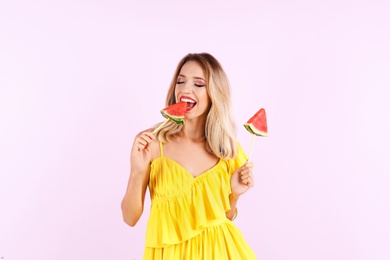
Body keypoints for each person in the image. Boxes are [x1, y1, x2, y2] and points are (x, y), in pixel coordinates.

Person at [121, 52, 256, 259]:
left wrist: (235, 194)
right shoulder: (152, 143)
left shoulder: (228, 149)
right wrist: (138, 171)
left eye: (198, 84)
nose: (185, 89)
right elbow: (130, 218)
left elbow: (224, 217)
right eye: (180, 81)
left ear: (215, 93)